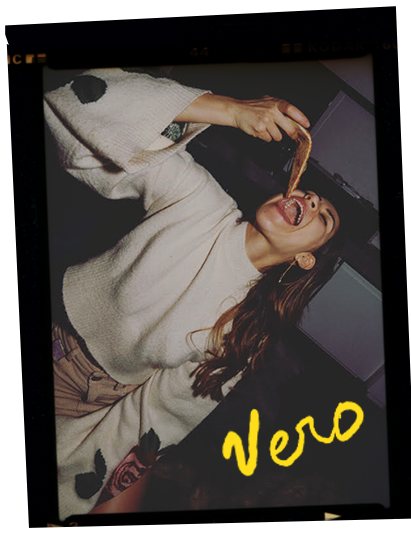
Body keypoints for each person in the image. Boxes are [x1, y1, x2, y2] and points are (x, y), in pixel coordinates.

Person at [44, 68, 341, 518]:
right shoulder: (197, 199)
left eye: (325, 217)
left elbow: (156, 420)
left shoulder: (244, 330)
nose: (313, 201)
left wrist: (100, 481)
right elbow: (82, 106)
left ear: (306, 259)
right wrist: (230, 110)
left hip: (88, 401)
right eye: (313, 195)